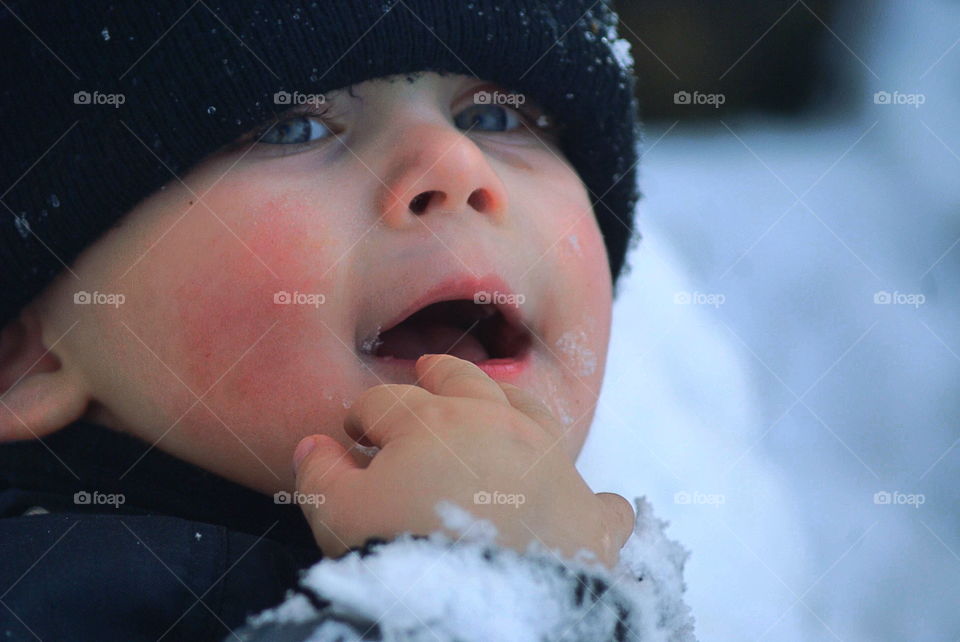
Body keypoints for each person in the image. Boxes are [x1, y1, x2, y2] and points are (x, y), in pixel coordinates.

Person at [0, 1, 695, 639]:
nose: (456, 163)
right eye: (290, 127)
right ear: (24, 357)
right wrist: (497, 590)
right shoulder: (64, 592)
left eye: (496, 118)